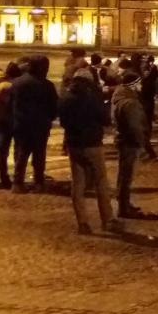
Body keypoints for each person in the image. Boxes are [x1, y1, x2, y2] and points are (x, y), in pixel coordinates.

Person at [59, 67, 122, 235]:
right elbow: (105, 119)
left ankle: (83, 223)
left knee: (78, 183)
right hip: (92, 143)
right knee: (101, 181)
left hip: (74, 144)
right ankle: (107, 220)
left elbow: (63, 122)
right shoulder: (92, 98)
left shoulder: (66, 97)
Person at [10, 55, 59, 193]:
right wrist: (49, 117)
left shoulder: (17, 83)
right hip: (40, 125)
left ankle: (17, 183)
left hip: (21, 124)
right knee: (39, 155)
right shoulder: (47, 85)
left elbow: (10, 103)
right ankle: (38, 182)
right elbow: (54, 106)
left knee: (21, 154)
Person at [112, 71, 151, 218]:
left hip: (123, 140)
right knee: (126, 176)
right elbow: (135, 126)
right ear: (133, 85)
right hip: (129, 142)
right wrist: (142, 143)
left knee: (123, 175)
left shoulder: (120, 97)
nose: (141, 86)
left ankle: (124, 204)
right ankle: (124, 207)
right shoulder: (130, 103)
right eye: (139, 83)